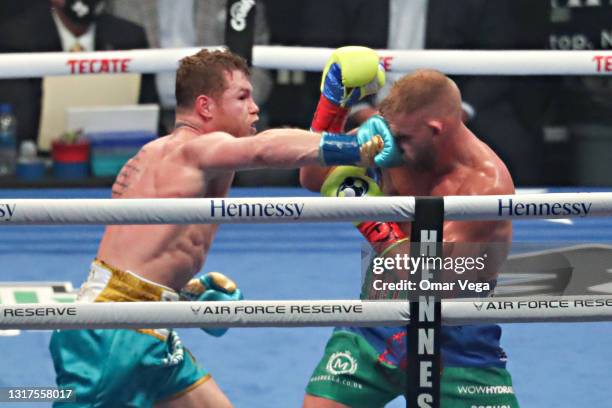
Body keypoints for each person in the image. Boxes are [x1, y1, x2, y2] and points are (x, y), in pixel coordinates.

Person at [49, 47, 397, 407]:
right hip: (114, 330)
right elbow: (263, 150)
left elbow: (142, 250)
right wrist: (352, 146)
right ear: (205, 107)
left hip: (148, 322)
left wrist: (181, 293)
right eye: (242, 96)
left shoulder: (158, 157)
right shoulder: (193, 149)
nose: (255, 107)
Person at [300, 68, 520, 407]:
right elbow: (312, 176)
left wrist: (368, 214)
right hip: (379, 316)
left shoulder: (486, 186)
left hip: (458, 335)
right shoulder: (394, 135)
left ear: (435, 131)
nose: (391, 147)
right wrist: (334, 107)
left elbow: (426, 280)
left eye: (402, 139)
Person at [0, 0, 159, 148]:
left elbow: (152, 122)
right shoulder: (15, 39)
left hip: (115, 160)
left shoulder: (129, 37)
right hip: (42, 166)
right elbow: (18, 124)